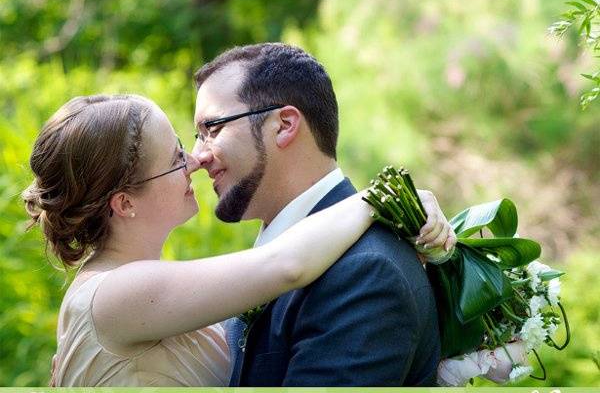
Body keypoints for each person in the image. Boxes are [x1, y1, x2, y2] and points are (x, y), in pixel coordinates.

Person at [23, 94, 453, 386]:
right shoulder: (118, 294)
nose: (195, 160)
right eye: (175, 158)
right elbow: (285, 265)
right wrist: (381, 196)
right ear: (124, 203)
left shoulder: (132, 288)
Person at [192, 43, 454, 387]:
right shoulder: (279, 255)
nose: (198, 156)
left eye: (212, 129)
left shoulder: (365, 272)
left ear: (284, 125)